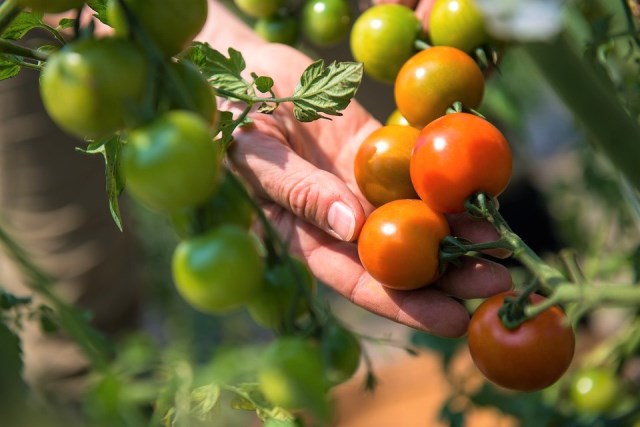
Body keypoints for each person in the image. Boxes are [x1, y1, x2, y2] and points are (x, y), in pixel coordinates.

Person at [0, 0, 512, 406]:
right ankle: (109, 406)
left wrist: (217, 46)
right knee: (70, 301)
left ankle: (519, 250)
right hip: (52, 61)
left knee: (409, 135)